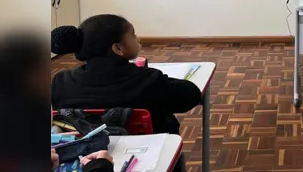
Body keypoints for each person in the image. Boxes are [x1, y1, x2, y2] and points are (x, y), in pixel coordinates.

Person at [51, 14, 202, 135]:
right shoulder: (148, 80)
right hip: (148, 155)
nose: (138, 38)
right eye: (133, 35)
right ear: (118, 48)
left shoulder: (60, 82)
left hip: (87, 157)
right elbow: (192, 95)